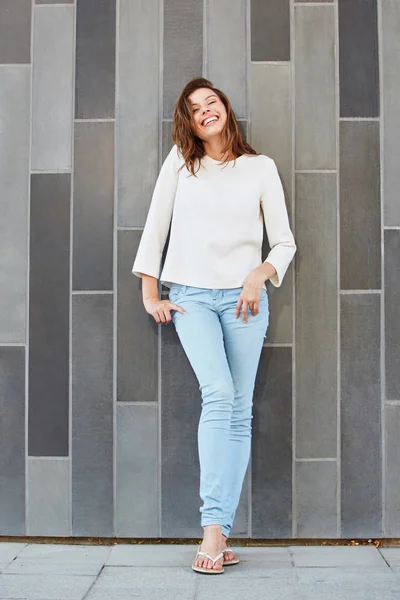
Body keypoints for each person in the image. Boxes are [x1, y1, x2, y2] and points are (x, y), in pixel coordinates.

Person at [132, 77, 296, 575]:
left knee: (240, 410)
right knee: (219, 394)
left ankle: (220, 535)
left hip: (246, 302)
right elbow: (156, 224)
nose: (206, 111)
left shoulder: (260, 168)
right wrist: (150, 293)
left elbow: (284, 243)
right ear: (188, 121)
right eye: (194, 108)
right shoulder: (181, 164)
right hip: (191, 297)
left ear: (225, 108)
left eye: (211, 102)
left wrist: (259, 274)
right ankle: (210, 529)